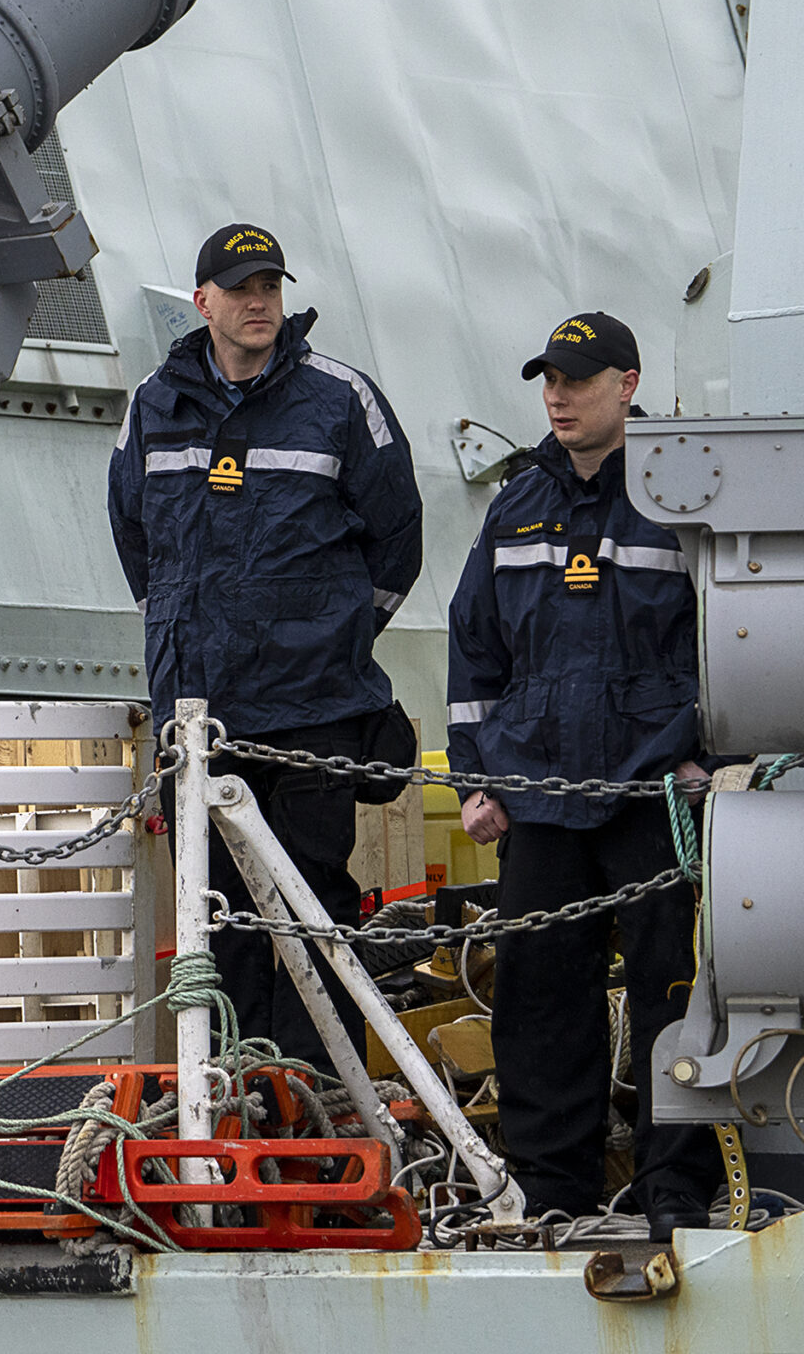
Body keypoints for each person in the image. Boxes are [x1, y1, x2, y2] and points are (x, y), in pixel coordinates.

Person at [106, 224, 423, 1069]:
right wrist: (186, 627)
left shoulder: (339, 399)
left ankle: (321, 1139)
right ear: (203, 300)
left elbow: (398, 544)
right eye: (242, 289)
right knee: (218, 931)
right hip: (199, 720)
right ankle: (236, 1135)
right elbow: (136, 536)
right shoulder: (155, 402)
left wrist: (331, 635)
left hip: (314, 717)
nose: (259, 303)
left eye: (271, 288)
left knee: (314, 919)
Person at [446, 312, 716, 1237]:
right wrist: (476, 780)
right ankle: (552, 1184)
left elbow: (724, 638)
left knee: (670, 997)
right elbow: (474, 647)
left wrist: (703, 758)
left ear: (627, 384)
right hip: (541, 798)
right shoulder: (517, 505)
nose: (557, 395)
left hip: (650, 795)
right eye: (549, 379)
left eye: (578, 378)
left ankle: (675, 1184)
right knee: (540, 994)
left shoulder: (677, 500)